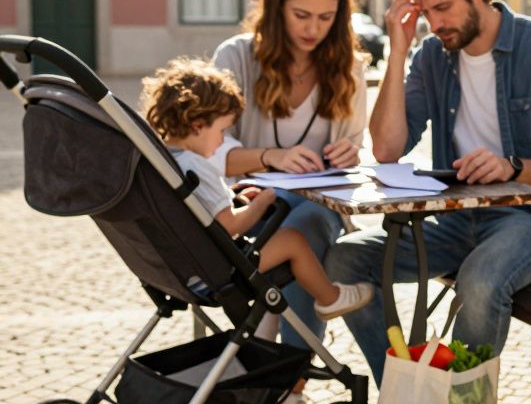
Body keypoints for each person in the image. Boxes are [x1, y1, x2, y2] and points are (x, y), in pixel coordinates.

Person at [326, 0, 531, 381]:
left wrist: (510, 166)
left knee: (480, 280)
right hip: (456, 218)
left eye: (443, 8)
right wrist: (398, 50)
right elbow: (387, 148)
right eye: (425, 12)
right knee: (344, 259)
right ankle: (405, 393)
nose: (435, 23)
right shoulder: (432, 55)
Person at [209, 0, 368, 404]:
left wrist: (349, 151)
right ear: (277, 7)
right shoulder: (237, 56)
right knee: (294, 230)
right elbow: (207, 147)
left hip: (318, 208)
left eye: (326, 17)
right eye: (302, 15)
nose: (313, 28)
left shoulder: (347, 66)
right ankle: (278, 387)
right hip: (247, 208)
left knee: (306, 223)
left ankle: (274, 390)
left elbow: (355, 148)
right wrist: (268, 157)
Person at [141, 58, 374, 318]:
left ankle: (275, 323)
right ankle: (330, 298)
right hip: (214, 273)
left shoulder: (165, 160)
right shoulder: (196, 165)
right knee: (293, 240)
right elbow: (229, 225)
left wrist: (239, 200)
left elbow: (202, 210)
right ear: (197, 126)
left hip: (181, 271)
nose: (221, 141)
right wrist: (262, 202)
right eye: (222, 131)